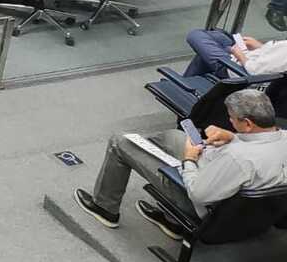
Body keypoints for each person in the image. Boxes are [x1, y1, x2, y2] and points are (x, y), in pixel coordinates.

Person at [74, 88, 287, 235]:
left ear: (248, 124)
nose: (229, 120)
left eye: (231, 118)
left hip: (199, 201)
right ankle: (171, 221)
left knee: (119, 141)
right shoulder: (282, 136)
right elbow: (257, 150)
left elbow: (197, 193)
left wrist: (189, 159)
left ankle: (105, 208)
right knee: (174, 136)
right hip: (242, 202)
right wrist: (233, 137)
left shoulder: (239, 158)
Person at [182, 27, 287, 80]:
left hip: (234, 68)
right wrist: (261, 47)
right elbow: (277, 58)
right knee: (217, 37)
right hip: (250, 58)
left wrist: (238, 53)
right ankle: (186, 86)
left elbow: (254, 70)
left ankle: (184, 88)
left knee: (195, 35)